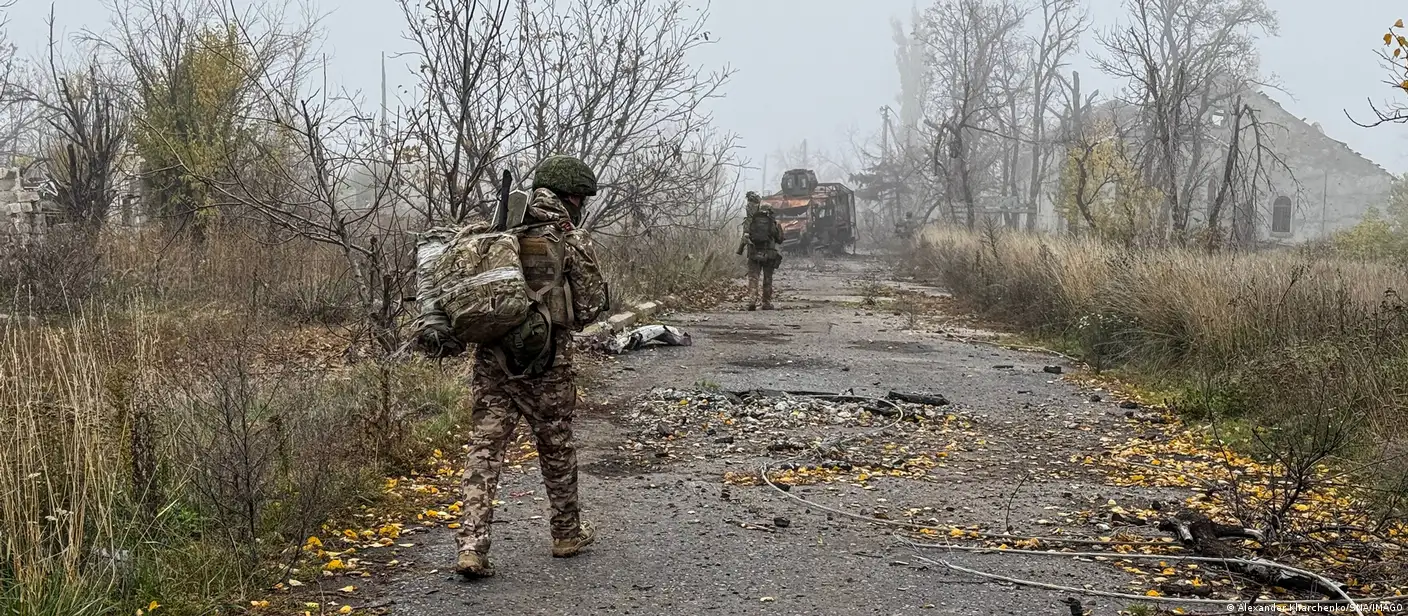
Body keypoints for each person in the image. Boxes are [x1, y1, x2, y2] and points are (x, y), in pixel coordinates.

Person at [455, 155, 607, 579]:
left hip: (492, 360)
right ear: (573, 197)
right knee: (555, 445)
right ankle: (566, 534)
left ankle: (471, 546)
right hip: (548, 364)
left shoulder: (498, 229)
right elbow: (589, 309)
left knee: (485, 449)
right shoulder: (570, 238)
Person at [741, 191, 783, 311]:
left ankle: (752, 300)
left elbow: (746, 236)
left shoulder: (751, 221)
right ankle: (766, 302)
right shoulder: (773, 223)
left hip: (754, 253)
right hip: (769, 254)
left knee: (753, 278)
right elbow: (779, 239)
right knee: (767, 278)